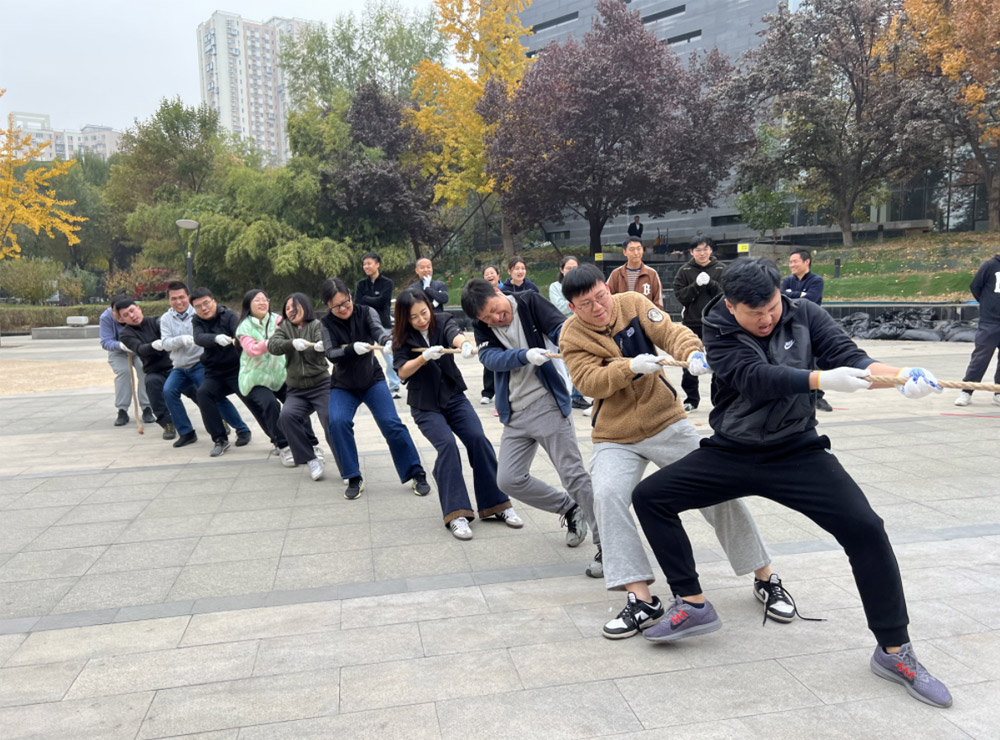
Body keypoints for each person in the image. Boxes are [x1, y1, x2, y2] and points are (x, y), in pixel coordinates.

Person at [631, 257, 952, 709]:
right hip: (733, 451)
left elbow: (852, 359)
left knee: (866, 530)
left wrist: (900, 377)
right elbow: (757, 379)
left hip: (797, 450)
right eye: (754, 313)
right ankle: (693, 602)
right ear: (731, 305)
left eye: (772, 308)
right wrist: (821, 379)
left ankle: (894, 650)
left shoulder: (805, 314)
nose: (766, 319)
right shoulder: (717, 326)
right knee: (650, 497)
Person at [560, 264, 791, 639]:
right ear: (573, 308)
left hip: (666, 421)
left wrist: (694, 352)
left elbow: (671, 331)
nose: (598, 307)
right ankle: (641, 598)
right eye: (586, 304)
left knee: (719, 489)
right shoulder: (571, 335)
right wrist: (629, 367)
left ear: (607, 289)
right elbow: (589, 382)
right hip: (614, 436)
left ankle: (765, 576)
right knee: (606, 496)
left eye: (601, 296)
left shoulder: (633, 303)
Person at [460, 278, 598, 571]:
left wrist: (575, 346)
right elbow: (491, 358)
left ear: (498, 292)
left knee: (573, 476)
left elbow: (562, 329)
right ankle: (569, 508)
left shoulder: (529, 301)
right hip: (514, 413)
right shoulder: (483, 326)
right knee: (508, 480)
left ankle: (608, 545)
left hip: (547, 404)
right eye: (486, 318)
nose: (495, 318)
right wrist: (524, 355)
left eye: (494, 310)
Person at [392, 288, 522, 539]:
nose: (422, 319)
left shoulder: (441, 320)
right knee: (448, 446)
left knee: (478, 439)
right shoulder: (400, 336)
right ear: (405, 318)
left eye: (424, 312)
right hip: (425, 405)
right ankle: (456, 513)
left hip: (453, 396)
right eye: (414, 317)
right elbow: (402, 371)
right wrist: (423, 358)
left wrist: (464, 345)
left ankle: (496, 504)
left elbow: (455, 334)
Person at [319, 277, 431, 500]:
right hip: (343, 385)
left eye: (346, 302)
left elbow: (379, 331)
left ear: (350, 295)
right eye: (336, 306)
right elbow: (331, 353)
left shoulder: (366, 312)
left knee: (391, 423)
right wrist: (351, 349)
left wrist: (387, 342)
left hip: (372, 379)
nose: (343, 308)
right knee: (337, 422)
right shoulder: (326, 323)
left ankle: (416, 473)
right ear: (328, 305)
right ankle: (353, 476)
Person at [159, 282, 250, 449]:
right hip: (179, 367)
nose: (178, 301)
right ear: (169, 300)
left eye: (181, 297)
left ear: (188, 297)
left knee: (214, 395)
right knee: (168, 391)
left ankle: (241, 428)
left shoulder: (199, 313)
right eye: (173, 298)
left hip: (200, 364)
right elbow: (165, 343)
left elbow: (203, 337)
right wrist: (181, 340)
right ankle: (186, 432)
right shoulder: (165, 319)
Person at [268, 293, 333, 482]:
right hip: (296, 389)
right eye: (287, 308)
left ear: (305, 306)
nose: (291, 311)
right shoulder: (284, 327)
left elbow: (324, 342)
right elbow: (273, 345)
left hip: (321, 384)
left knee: (330, 418)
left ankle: (345, 463)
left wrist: (319, 346)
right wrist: (291, 344)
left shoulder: (317, 325)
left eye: (295, 306)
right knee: (286, 417)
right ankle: (310, 459)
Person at [191, 288, 263, 457]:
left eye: (206, 303)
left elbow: (240, 334)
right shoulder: (196, 321)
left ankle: (278, 439)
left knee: (253, 400)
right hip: (214, 373)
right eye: (198, 306)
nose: (203, 308)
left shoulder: (228, 315)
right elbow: (198, 338)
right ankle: (220, 439)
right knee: (203, 394)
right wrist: (215, 338)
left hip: (237, 370)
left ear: (214, 301)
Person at [235, 290, 300, 465]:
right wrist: (272, 342)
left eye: (265, 299)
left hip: (280, 374)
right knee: (270, 404)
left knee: (298, 403)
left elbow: (292, 332)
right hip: (255, 378)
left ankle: (307, 441)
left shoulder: (278, 320)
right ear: (248, 304)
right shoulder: (244, 327)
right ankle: (283, 446)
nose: (262, 303)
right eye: (257, 300)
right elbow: (252, 350)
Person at [673, 236, 724, 412]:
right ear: (691, 252)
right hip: (692, 323)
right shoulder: (684, 271)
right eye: (698, 250)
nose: (702, 253)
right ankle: (691, 399)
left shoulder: (720, 269)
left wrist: (711, 284)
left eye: (705, 249)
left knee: (718, 361)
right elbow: (681, 297)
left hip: (715, 323)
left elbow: (726, 295)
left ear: (711, 250)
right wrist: (696, 285)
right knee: (689, 361)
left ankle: (718, 399)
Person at [117, 300, 177, 440]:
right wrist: (153, 346)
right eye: (126, 315)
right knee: (151, 384)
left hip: (176, 367)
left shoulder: (157, 321)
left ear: (139, 308)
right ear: (122, 319)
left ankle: (218, 418)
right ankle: (167, 423)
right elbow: (139, 349)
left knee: (198, 389)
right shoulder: (126, 334)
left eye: (132, 310)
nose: (132, 316)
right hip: (154, 370)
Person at [781, 248, 832, 412]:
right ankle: (797, 395)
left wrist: (793, 294)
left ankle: (818, 396)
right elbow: (782, 298)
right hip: (791, 325)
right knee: (795, 359)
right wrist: (801, 294)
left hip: (812, 326)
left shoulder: (816, 280)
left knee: (815, 361)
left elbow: (811, 299)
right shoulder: (787, 280)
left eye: (795, 261)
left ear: (806, 261)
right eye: (790, 262)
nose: (791, 265)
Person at [954, 252, 1000, 407]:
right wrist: (987, 304)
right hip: (990, 322)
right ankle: (966, 391)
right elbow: (975, 286)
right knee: (981, 357)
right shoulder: (990, 265)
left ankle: (998, 393)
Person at [99, 295, 152, 427]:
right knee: (124, 372)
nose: (123, 316)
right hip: (118, 351)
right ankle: (122, 410)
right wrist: (120, 345)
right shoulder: (106, 318)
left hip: (138, 348)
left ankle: (147, 407)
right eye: (117, 313)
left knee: (144, 370)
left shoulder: (134, 313)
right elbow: (105, 341)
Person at [548, 255, 592, 413]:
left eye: (575, 268)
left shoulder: (583, 285)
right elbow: (560, 306)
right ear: (562, 270)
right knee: (565, 363)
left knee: (583, 361)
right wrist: (579, 304)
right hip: (563, 327)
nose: (572, 271)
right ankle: (564, 395)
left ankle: (577, 395)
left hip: (583, 326)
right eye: (568, 268)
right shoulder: (555, 287)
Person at [356, 252, 401, 399]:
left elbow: (382, 301)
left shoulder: (387, 283)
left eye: (369, 263)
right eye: (364, 264)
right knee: (362, 355)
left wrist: (366, 298)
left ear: (377, 264)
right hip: (364, 324)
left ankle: (394, 386)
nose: (366, 266)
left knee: (389, 355)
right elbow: (358, 304)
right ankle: (363, 385)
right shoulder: (361, 284)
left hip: (383, 325)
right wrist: (372, 299)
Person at [607, 237, 663, 309]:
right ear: (625, 252)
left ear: (642, 250)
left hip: (646, 315)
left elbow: (658, 301)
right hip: (622, 315)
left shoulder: (652, 274)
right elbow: (607, 297)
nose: (636, 253)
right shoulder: (616, 274)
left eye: (639, 249)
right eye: (632, 249)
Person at [480, 265, 503, 408]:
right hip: (489, 330)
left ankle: (503, 394)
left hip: (505, 329)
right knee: (489, 361)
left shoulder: (505, 290)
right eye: (486, 274)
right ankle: (487, 393)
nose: (490, 276)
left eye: (492, 273)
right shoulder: (481, 294)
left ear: (498, 275)